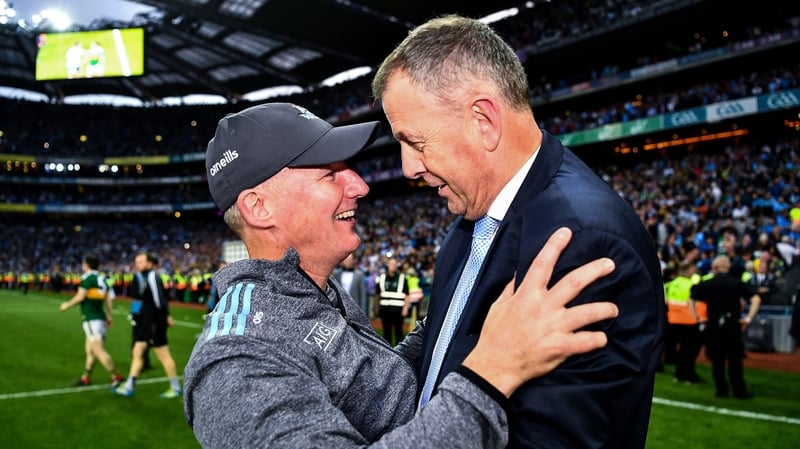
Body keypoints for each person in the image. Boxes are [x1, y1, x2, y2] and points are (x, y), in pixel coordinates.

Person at [182, 102, 619, 448]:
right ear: (260, 207)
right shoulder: (236, 356)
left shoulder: (310, 290)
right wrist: (491, 373)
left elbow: (382, 386)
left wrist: (461, 303)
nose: (359, 185)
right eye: (331, 173)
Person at [371, 15, 665, 448]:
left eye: (414, 141)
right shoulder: (470, 220)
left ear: (483, 120)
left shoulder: (578, 241)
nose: (408, 167)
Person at [691, 255, 762, 399]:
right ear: (728, 267)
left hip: (714, 325)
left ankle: (721, 389)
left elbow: (691, 298)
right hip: (732, 325)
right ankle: (739, 391)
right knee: (735, 360)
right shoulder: (736, 283)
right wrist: (748, 318)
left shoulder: (708, 283)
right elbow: (756, 299)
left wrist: (698, 318)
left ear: (715, 268)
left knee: (717, 360)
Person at [113, 252, 182, 398]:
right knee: (137, 351)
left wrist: (165, 317)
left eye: (141, 262)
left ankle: (175, 387)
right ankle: (129, 386)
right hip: (145, 323)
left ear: (150, 264)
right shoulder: (142, 277)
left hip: (155, 323)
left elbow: (160, 301)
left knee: (163, 355)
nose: (138, 264)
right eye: (136, 261)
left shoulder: (152, 277)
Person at [59, 254, 123, 387]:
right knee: (90, 350)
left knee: (98, 350)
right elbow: (109, 299)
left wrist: (66, 305)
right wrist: (109, 316)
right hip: (99, 318)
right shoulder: (103, 279)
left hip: (91, 319)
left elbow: (80, 297)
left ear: (86, 265)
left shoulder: (87, 278)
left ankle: (115, 376)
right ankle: (86, 377)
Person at [664, 262, 705, 384]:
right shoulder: (692, 283)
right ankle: (689, 376)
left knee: (681, 350)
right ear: (689, 269)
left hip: (673, 321)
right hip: (689, 321)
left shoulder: (673, 283)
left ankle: (679, 374)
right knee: (690, 351)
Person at [375, 257, 409, 345]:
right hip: (385, 310)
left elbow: (407, 294)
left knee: (399, 332)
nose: (393, 266)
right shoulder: (381, 277)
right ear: (388, 265)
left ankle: (400, 353)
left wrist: (405, 308)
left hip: (398, 310)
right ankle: (388, 352)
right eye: (391, 264)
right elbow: (378, 294)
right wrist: (377, 307)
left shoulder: (402, 278)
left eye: (394, 264)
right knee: (386, 333)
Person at [332, 253, 368, 317]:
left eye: (350, 260)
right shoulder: (336, 273)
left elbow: (362, 294)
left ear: (353, 261)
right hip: (339, 307)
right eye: (346, 260)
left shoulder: (359, 275)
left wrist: (362, 312)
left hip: (354, 308)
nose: (348, 262)